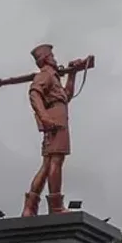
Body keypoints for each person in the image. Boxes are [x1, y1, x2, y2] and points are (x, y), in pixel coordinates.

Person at [23, 44, 88, 217]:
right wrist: (44, 117)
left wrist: (72, 74)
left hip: (58, 116)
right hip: (54, 119)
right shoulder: (45, 75)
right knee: (55, 161)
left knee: (47, 164)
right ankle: (55, 206)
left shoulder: (54, 77)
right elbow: (34, 94)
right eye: (52, 56)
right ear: (46, 59)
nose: (55, 59)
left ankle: (30, 208)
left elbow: (66, 96)